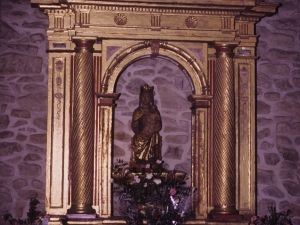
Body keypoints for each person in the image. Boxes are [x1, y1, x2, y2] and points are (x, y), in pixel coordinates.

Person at [130, 84, 162, 168]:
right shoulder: (137, 111)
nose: (145, 99)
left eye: (147, 97)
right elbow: (134, 127)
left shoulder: (154, 111)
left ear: (151, 98)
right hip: (140, 135)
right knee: (137, 138)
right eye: (143, 96)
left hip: (151, 135)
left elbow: (159, 126)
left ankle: (153, 160)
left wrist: (155, 119)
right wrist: (136, 125)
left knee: (155, 136)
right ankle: (138, 161)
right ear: (140, 97)